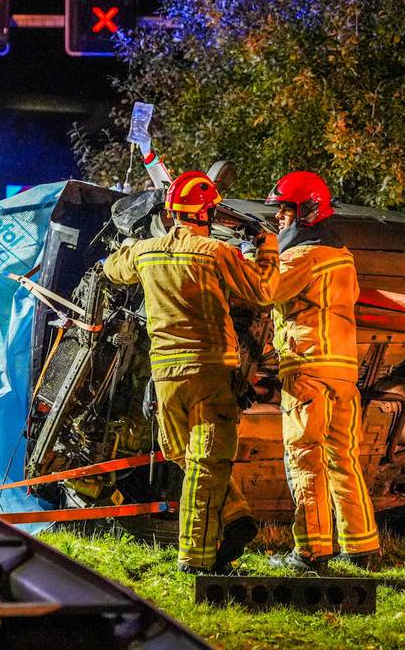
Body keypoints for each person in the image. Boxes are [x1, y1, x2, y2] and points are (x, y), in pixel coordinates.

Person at [103, 170, 278, 574]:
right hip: (211, 371)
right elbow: (264, 291)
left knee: (183, 453)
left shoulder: (146, 252)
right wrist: (265, 247)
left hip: (166, 375)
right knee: (207, 461)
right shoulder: (216, 252)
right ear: (209, 213)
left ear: (170, 211)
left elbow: (113, 269)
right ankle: (198, 559)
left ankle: (234, 516)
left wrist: (128, 244)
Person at [261, 171, 380, 572]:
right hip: (344, 372)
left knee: (304, 457)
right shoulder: (342, 256)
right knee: (344, 458)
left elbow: (264, 290)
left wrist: (258, 252)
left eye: (284, 211)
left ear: (307, 211)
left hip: (307, 369)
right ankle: (362, 546)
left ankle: (311, 551)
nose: (279, 219)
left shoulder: (301, 256)